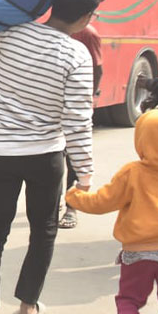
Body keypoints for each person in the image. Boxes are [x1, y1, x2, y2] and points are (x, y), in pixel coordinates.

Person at [0, 0, 106, 314]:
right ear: (86, 16)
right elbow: (77, 120)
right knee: (43, 229)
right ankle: (27, 306)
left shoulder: (13, 31)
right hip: (45, 155)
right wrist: (84, 174)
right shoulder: (77, 54)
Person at [66, 109, 158, 314]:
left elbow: (103, 202)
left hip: (138, 254)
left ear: (141, 140)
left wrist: (75, 196)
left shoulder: (132, 173)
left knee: (129, 299)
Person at [61, 23, 104, 229]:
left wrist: (89, 99)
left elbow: (98, 69)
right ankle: (52, 206)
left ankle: (71, 207)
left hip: (76, 108)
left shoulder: (88, 33)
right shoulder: (48, 31)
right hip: (52, 109)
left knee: (74, 159)